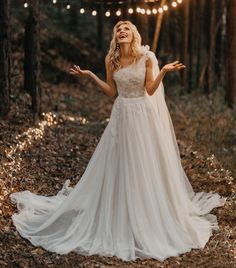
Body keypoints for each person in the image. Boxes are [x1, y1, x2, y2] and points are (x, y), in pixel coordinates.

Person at [10, 20, 226, 262]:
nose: (122, 32)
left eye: (126, 30)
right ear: (116, 37)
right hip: (122, 113)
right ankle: (118, 209)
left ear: (133, 35)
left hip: (142, 115)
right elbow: (112, 92)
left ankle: (145, 214)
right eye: (118, 30)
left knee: (142, 162)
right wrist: (91, 75)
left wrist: (163, 71)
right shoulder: (110, 60)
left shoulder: (145, 57)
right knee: (119, 161)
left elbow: (151, 90)